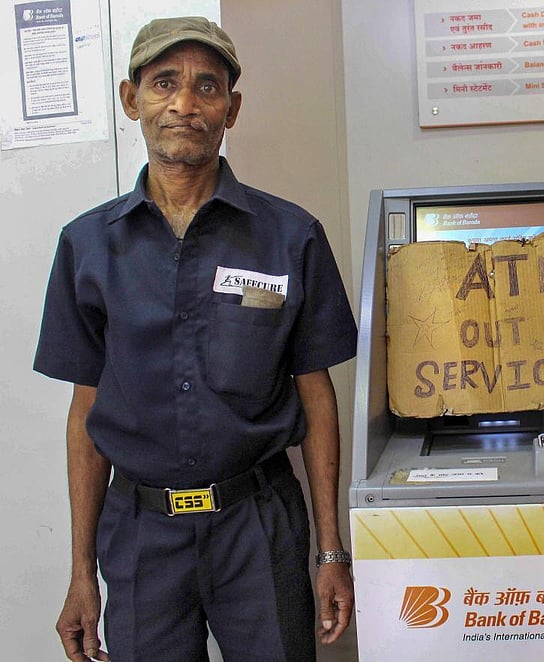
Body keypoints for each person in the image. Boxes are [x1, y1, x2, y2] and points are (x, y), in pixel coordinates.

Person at [34, 16, 357, 662]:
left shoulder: (291, 237)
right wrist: (80, 573)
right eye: (164, 83)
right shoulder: (86, 247)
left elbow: (317, 399)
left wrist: (330, 551)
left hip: (259, 528)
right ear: (132, 100)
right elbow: (86, 415)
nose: (184, 104)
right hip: (140, 538)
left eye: (207, 87)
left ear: (231, 110)